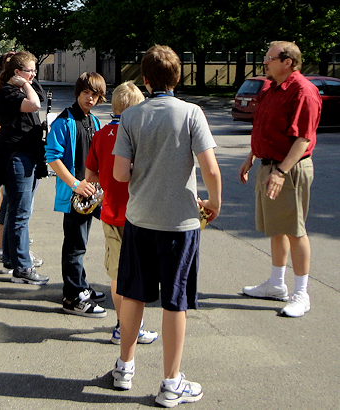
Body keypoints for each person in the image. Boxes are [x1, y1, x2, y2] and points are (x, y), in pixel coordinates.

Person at [110, 45, 221, 408]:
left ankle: (125, 366)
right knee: (176, 301)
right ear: (177, 78)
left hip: (140, 218)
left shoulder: (131, 117)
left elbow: (120, 173)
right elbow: (209, 168)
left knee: (133, 293)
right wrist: (213, 203)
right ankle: (171, 382)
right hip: (180, 223)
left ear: (144, 79)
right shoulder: (191, 113)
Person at [239, 41, 320, 318]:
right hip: (269, 165)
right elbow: (263, 127)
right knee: (277, 227)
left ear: (288, 62)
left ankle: (301, 293)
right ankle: (276, 284)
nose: (265, 62)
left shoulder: (303, 91)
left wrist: (281, 171)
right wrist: (251, 157)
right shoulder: (271, 88)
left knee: (295, 230)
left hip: (288, 169)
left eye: (270, 58)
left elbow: (303, 138)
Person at [85, 80, 158, 344]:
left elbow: (90, 173)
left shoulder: (101, 135)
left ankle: (120, 324)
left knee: (117, 274)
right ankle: (133, 327)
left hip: (110, 213)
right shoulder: (141, 135)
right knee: (138, 275)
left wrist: (103, 184)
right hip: (140, 214)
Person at [0, 50, 49, 285]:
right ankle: (23, 267)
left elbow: (39, 95)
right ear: (17, 73)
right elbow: (35, 103)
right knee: (20, 213)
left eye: (35, 70)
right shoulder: (8, 92)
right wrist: (22, 82)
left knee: (12, 210)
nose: (34, 75)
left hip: (27, 155)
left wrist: (29, 79)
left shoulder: (20, 86)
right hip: (17, 157)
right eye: (30, 70)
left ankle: (11, 259)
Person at [45, 72, 107, 317]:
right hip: (74, 196)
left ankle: (80, 287)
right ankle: (72, 297)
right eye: (86, 94)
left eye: (95, 95)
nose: (90, 99)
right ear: (78, 93)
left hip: (90, 196)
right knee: (74, 246)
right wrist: (74, 184)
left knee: (81, 243)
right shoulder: (64, 121)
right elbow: (52, 157)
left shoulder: (94, 121)